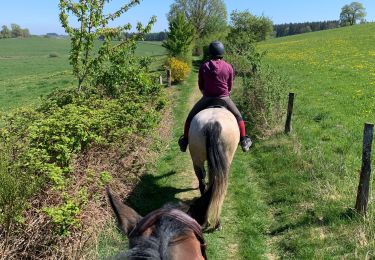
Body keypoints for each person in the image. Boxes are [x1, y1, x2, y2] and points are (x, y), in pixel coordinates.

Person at [178, 40, 252, 152]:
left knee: (190, 117)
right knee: (238, 116)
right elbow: (230, 86)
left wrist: (206, 93)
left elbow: (201, 85)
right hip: (224, 98)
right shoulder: (228, 67)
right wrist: (225, 93)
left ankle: (185, 141)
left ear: (210, 52)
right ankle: (243, 140)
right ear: (222, 52)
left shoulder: (204, 66)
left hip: (207, 98)